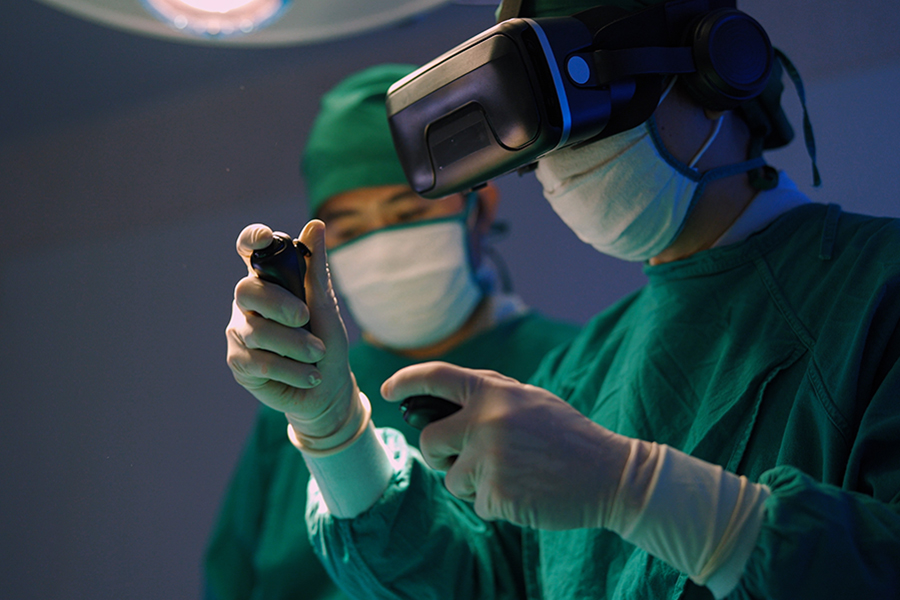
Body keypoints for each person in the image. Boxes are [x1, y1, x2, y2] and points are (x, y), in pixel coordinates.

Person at [229, 1, 900, 599]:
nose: (568, 153)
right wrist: (334, 429)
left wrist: (632, 489)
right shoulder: (580, 375)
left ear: (722, 67)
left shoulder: (877, 291)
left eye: (592, 96)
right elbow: (477, 583)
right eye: (546, 127)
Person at [205, 63, 581, 600]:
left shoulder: (578, 367)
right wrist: (321, 420)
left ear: (479, 209)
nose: (382, 246)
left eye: (407, 213)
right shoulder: (294, 400)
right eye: (351, 230)